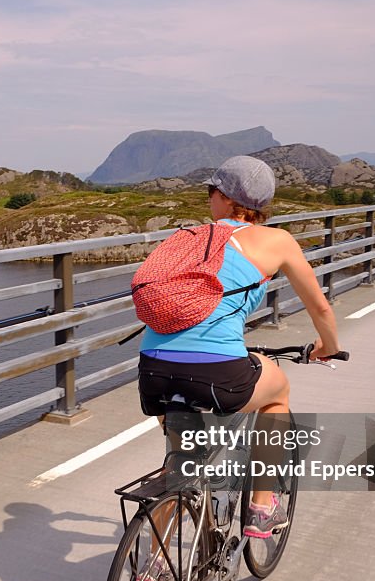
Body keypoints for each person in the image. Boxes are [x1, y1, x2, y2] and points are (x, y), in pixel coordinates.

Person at [136, 155, 341, 558]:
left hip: (152, 371)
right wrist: (328, 347)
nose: (209, 198)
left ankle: (155, 567)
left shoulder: (187, 238)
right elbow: (320, 309)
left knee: (181, 463)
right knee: (277, 390)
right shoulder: (276, 240)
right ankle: (262, 507)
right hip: (218, 373)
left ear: (227, 199)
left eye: (212, 191)